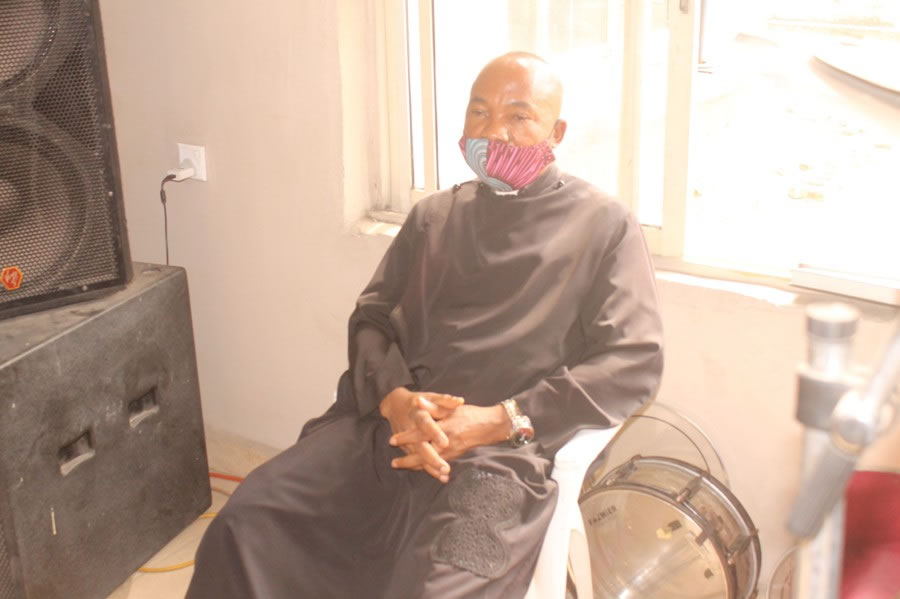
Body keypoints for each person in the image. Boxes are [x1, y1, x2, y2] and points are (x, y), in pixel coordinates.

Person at [185, 51, 663, 599]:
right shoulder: (434, 216)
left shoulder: (603, 226)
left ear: (556, 132)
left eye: (518, 116)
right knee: (244, 525)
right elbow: (372, 319)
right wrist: (393, 398)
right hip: (390, 430)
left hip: (500, 457)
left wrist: (498, 420)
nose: (494, 132)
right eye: (479, 113)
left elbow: (633, 360)